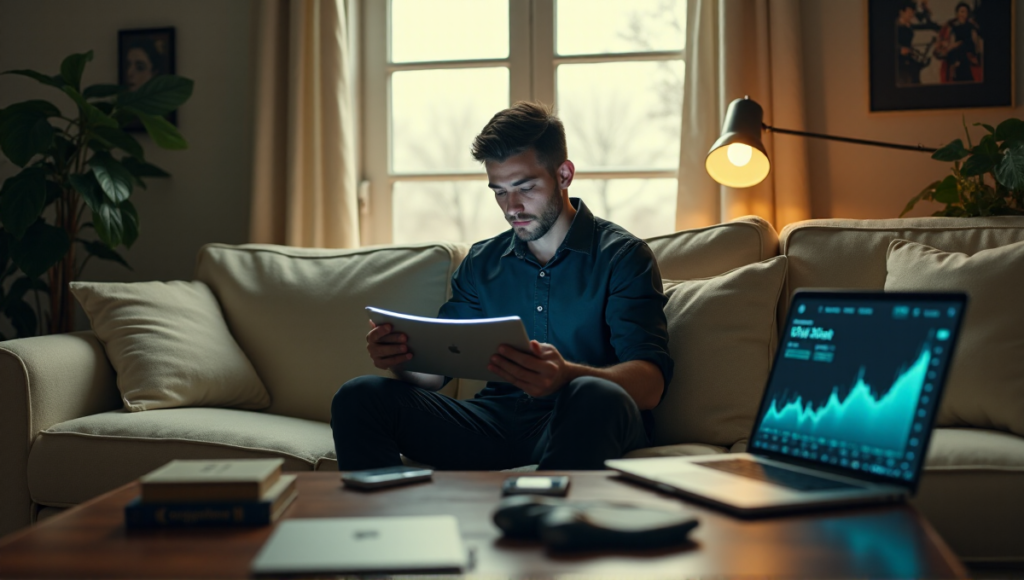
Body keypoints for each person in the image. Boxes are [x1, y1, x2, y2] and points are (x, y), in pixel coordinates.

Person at [331, 102, 673, 471]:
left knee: (595, 395)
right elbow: (434, 375)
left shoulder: (622, 256)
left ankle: (540, 519)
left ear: (564, 174)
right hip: (495, 423)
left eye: (525, 187)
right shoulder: (482, 263)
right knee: (360, 396)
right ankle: (383, 522)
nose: (512, 207)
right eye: (499, 191)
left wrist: (565, 376)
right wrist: (400, 359)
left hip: (581, 420)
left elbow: (651, 386)